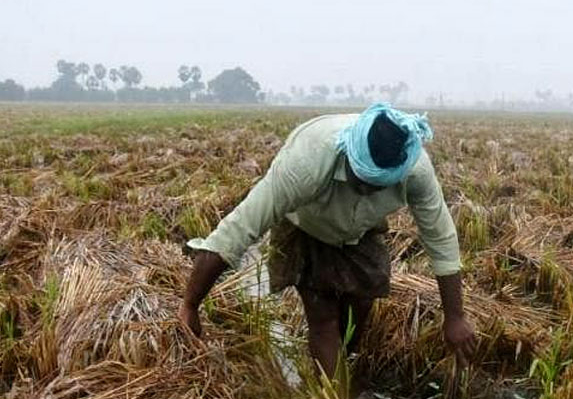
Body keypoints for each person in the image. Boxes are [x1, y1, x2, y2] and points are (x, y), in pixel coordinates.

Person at [178, 102, 477, 376]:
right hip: (306, 226)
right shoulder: (306, 162)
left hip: (361, 231)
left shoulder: (415, 169)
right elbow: (239, 228)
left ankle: (338, 372)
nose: (366, 190)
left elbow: (441, 238)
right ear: (350, 155)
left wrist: (455, 317)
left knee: (358, 311)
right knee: (323, 320)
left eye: (378, 186)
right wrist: (190, 304)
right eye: (361, 181)